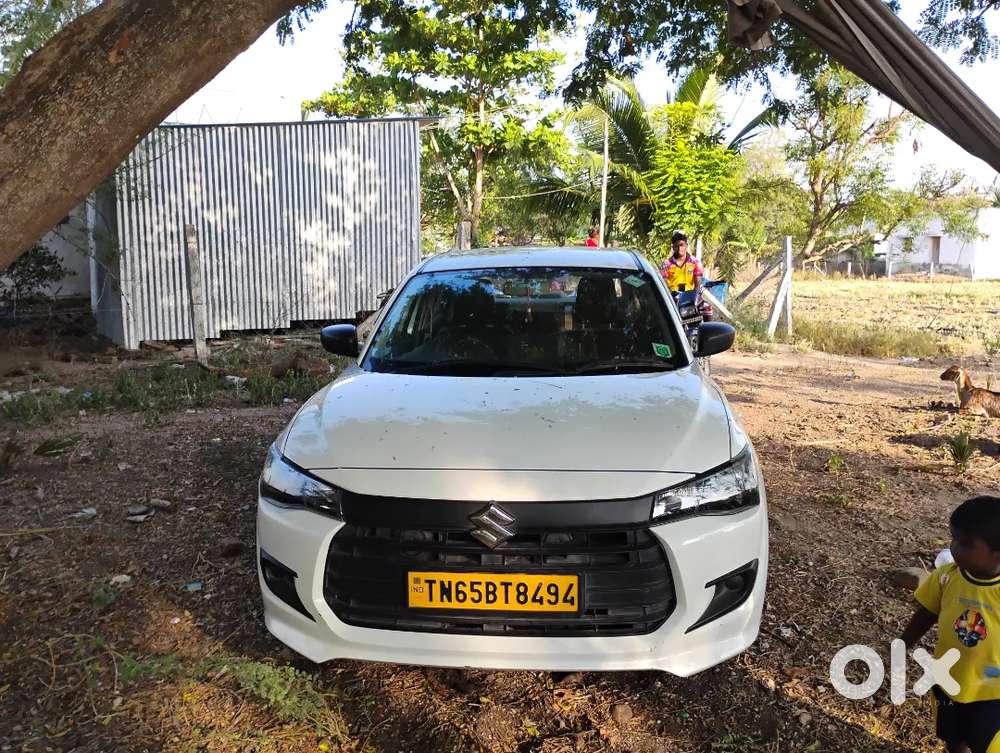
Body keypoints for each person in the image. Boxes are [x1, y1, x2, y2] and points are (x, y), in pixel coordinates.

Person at [901, 496, 1000, 753]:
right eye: (953, 538)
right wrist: (902, 644)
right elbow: (926, 614)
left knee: (988, 743)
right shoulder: (946, 577)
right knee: (953, 737)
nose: (954, 548)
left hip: (993, 694)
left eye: (966, 544)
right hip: (948, 680)